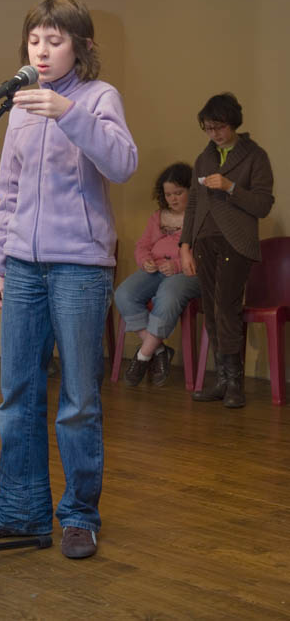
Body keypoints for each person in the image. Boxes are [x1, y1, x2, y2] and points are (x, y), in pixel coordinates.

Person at [0, 0, 137, 559]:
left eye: (54, 40)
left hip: (80, 267)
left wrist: (69, 114)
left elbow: (123, 164)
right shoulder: (17, 105)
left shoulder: (99, 97)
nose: (41, 50)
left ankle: (79, 515)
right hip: (22, 266)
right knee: (17, 394)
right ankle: (21, 513)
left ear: (80, 47)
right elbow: (9, 191)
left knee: (79, 399)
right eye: (34, 40)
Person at [180, 92, 274, 408]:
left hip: (237, 241)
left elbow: (263, 205)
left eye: (219, 127)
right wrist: (185, 246)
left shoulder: (255, 156)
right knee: (210, 308)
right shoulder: (204, 158)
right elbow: (193, 204)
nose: (214, 134)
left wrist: (231, 187)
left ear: (233, 123)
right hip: (204, 241)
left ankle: (235, 384)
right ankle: (221, 380)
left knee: (226, 307)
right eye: (208, 128)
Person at [114, 163, 201, 387]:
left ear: (191, 190)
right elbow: (142, 245)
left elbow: (205, 253)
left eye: (178, 193)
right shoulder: (157, 217)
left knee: (168, 293)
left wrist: (178, 266)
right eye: (168, 194)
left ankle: (143, 356)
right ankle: (159, 350)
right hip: (156, 269)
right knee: (124, 293)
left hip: (188, 273)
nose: (173, 199)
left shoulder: (200, 217)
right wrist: (145, 261)